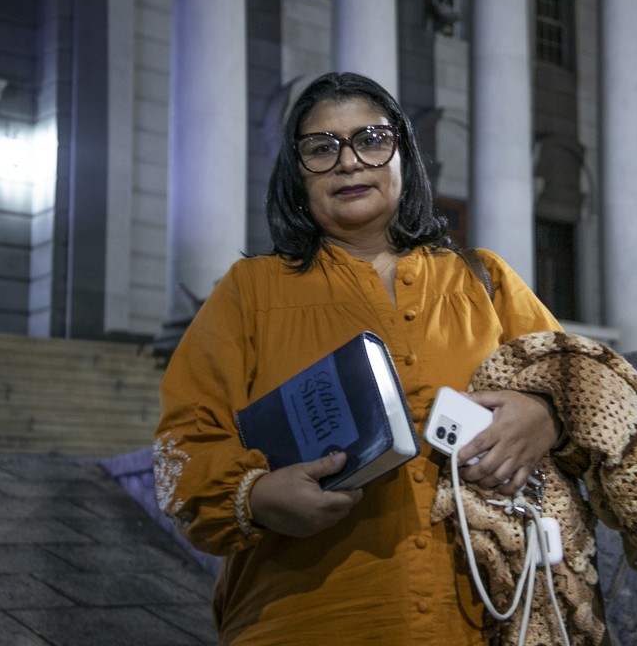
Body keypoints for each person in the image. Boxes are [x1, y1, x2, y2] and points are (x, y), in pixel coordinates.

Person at [153, 71, 565, 645]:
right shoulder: (249, 292)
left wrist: (545, 415)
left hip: (483, 620)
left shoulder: (483, 279)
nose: (349, 162)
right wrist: (256, 497)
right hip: (305, 621)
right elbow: (183, 446)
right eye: (321, 148)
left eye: (371, 140)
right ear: (296, 173)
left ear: (404, 157)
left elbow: (581, 380)